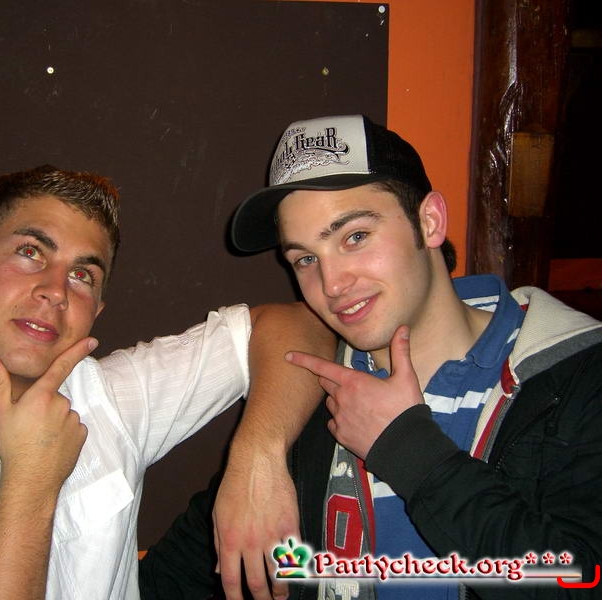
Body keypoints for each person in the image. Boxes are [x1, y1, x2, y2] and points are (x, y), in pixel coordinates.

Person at [0, 165, 335, 599]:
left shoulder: (103, 397)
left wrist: (258, 457)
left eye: (82, 274)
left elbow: (300, 326)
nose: (56, 290)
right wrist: (32, 480)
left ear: (95, 312)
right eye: (30, 252)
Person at [139, 114, 602, 600]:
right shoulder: (306, 396)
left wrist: (411, 454)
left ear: (429, 221)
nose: (332, 284)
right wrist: (257, 452)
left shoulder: (572, 376)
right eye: (305, 259)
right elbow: (166, 580)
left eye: (355, 236)